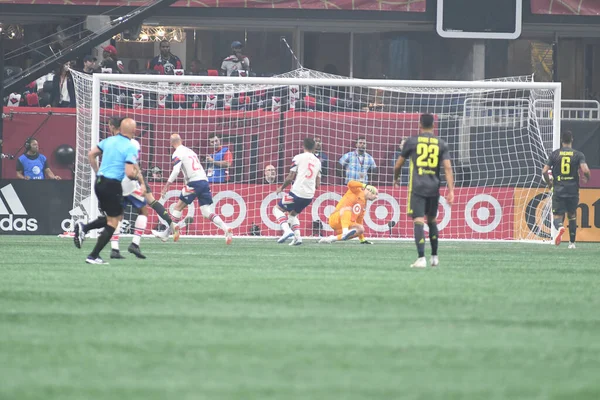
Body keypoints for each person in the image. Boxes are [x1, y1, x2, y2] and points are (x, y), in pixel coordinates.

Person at [73, 118, 140, 265]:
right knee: (113, 222)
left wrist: (97, 171)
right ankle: (93, 255)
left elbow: (91, 154)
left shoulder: (109, 141)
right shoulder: (131, 147)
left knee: (114, 216)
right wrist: (138, 176)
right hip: (113, 184)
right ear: (134, 132)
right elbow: (129, 173)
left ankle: (84, 228)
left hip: (99, 183)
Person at [393, 113, 454, 268]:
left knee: (419, 220)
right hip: (434, 187)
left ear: (419, 125)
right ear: (434, 126)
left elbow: (398, 165)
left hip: (418, 187)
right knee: (432, 220)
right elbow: (447, 168)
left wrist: (396, 178)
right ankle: (434, 257)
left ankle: (421, 258)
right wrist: (451, 191)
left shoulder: (412, 142)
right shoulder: (441, 143)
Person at [153, 134, 233, 244]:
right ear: (181, 140)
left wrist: (166, 186)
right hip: (204, 181)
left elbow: (176, 171)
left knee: (178, 207)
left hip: (194, 182)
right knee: (206, 212)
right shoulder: (191, 152)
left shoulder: (177, 153)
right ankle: (226, 228)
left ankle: (168, 233)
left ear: (171, 144)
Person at [106, 117, 177, 239]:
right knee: (152, 201)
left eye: (109, 125)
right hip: (137, 173)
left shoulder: (114, 141)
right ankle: (172, 224)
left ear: (112, 126)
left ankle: (116, 229)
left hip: (126, 175)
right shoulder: (130, 139)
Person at [542, 130, 591, 248]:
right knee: (572, 215)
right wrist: (587, 178)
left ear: (561, 141)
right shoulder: (578, 154)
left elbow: (544, 171)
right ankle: (572, 243)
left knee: (557, 217)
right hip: (573, 190)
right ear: (572, 140)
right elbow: (585, 170)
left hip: (559, 189)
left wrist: (549, 183)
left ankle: (560, 227)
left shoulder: (555, 154)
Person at [273, 138, 322, 246]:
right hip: (309, 196)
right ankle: (298, 238)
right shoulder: (318, 162)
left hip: (296, 193)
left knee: (277, 209)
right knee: (292, 215)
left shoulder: (298, 158)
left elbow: (290, 177)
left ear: (303, 146)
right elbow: (317, 184)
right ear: (314, 148)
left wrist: (281, 187)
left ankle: (286, 230)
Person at [109, 138, 149, 260]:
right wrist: (141, 182)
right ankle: (135, 244)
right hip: (128, 183)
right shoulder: (133, 144)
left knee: (117, 215)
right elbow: (133, 167)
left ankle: (114, 249)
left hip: (114, 183)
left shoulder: (113, 144)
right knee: (143, 210)